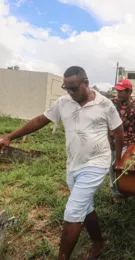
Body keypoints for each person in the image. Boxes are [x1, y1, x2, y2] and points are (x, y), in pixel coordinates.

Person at [0, 66, 124, 260]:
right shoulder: (63, 102)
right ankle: (98, 243)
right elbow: (41, 120)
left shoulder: (105, 104)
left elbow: (118, 131)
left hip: (97, 162)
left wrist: (118, 160)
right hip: (74, 164)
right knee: (86, 206)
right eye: (66, 88)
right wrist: (10, 136)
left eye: (74, 88)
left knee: (73, 211)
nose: (70, 93)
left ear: (86, 83)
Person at [109, 79, 135, 203]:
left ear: (129, 91)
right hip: (112, 141)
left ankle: (125, 192)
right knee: (112, 166)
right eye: (117, 91)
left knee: (123, 167)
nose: (118, 93)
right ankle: (116, 192)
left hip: (128, 142)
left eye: (121, 91)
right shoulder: (112, 103)